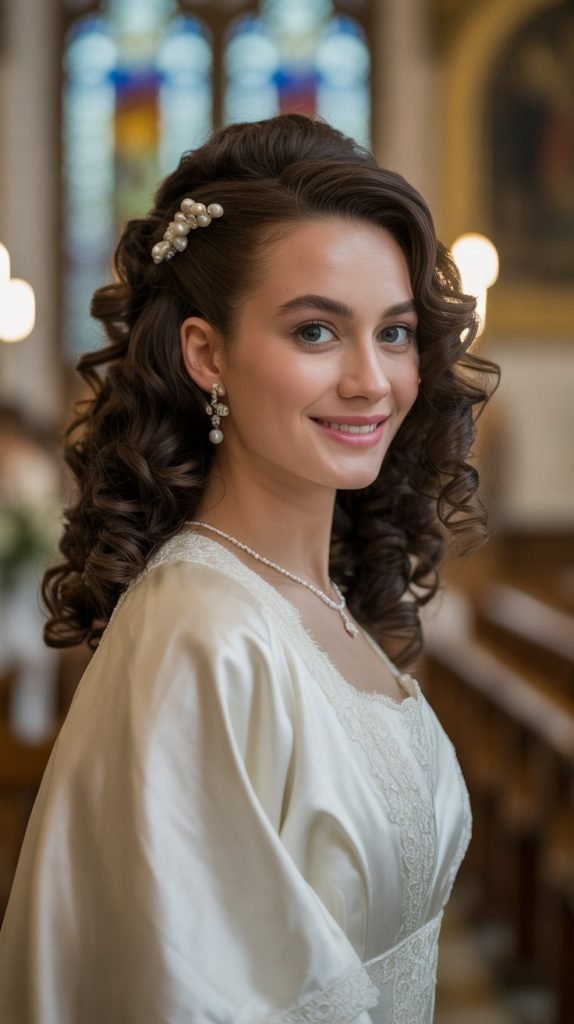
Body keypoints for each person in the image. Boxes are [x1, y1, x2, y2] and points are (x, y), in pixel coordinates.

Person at [0, 114, 499, 1023]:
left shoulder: (315, 602)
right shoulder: (203, 632)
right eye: (316, 332)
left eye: (393, 333)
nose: (371, 380)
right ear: (206, 353)